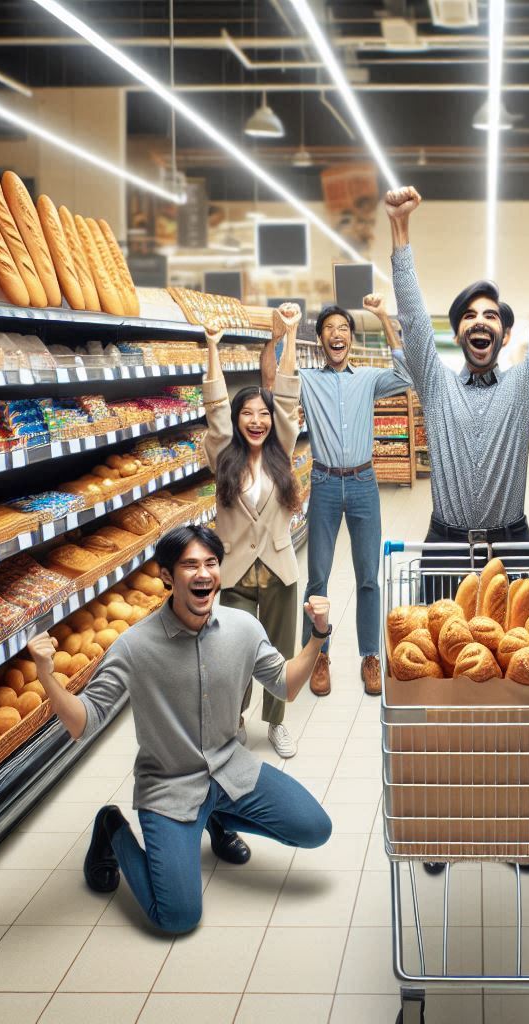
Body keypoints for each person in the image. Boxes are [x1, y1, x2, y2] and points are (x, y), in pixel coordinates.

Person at [26, 525, 334, 935]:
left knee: (315, 829)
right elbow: (84, 721)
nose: (203, 574)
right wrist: (48, 677)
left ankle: (216, 816)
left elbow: (286, 686)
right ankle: (111, 829)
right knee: (177, 917)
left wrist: (318, 634)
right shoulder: (134, 647)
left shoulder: (243, 628)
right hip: (169, 786)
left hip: (229, 769)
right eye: (190, 565)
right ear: (168, 576)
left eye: (210, 563)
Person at [386, 184, 529, 591]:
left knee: (517, 656)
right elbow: (415, 319)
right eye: (470, 316)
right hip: (446, 550)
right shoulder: (436, 386)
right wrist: (400, 229)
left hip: (512, 552)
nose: (480, 322)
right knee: (439, 655)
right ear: (458, 334)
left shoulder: (523, 386)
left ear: (504, 335)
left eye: (491, 316)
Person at [202, 305, 302, 758]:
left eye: (263, 414)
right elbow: (215, 407)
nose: (258, 420)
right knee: (236, 654)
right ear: (239, 420)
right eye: (249, 414)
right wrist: (212, 348)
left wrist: (291, 336)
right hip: (237, 570)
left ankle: (277, 724)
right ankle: (235, 719)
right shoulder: (224, 454)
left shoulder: (282, 449)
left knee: (279, 652)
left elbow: (286, 398)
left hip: (280, 569)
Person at [298, 296, 411, 697]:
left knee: (368, 577)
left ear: (351, 339)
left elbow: (407, 372)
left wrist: (383, 316)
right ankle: (317, 655)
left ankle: (370, 657)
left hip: (364, 482)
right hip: (325, 483)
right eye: (329, 329)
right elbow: (271, 382)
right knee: (318, 578)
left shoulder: (368, 379)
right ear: (320, 340)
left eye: (343, 329)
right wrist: (280, 333)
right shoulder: (306, 380)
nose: (337, 335)